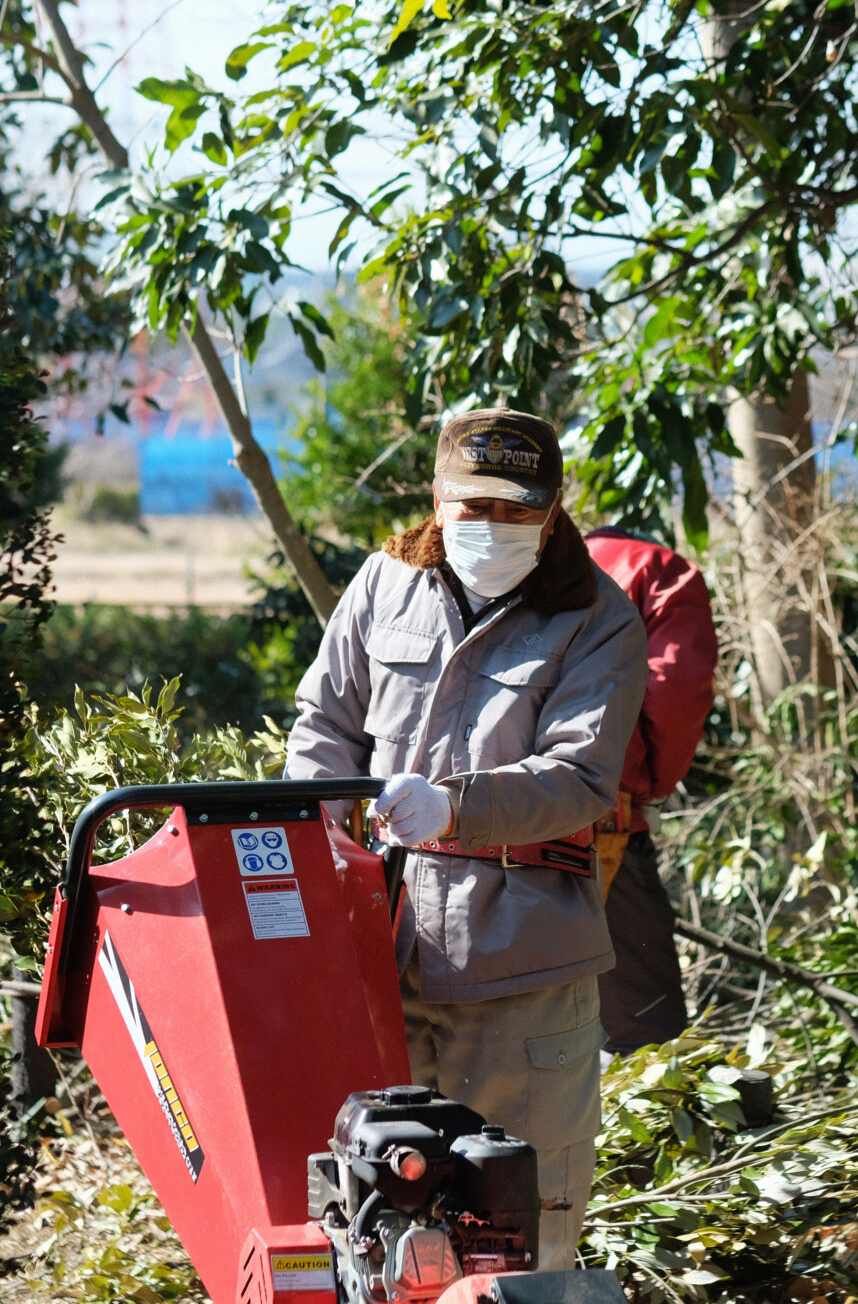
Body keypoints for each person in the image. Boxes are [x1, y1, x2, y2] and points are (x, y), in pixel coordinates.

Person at [285, 409, 646, 1270]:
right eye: (472, 504)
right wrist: (317, 830)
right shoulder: (384, 583)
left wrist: (453, 807)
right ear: (437, 496)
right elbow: (324, 721)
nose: (492, 526)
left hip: (523, 971)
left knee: (519, 1228)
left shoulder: (597, 619)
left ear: (554, 507)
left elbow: (582, 777)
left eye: (517, 509)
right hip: (383, 950)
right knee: (376, 1216)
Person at [581, 528, 718, 1054]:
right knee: (646, 1026)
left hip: (480, 819)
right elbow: (676, 689)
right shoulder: (662, 571)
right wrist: (651, 784)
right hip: (601, 819)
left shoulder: (540, 555)